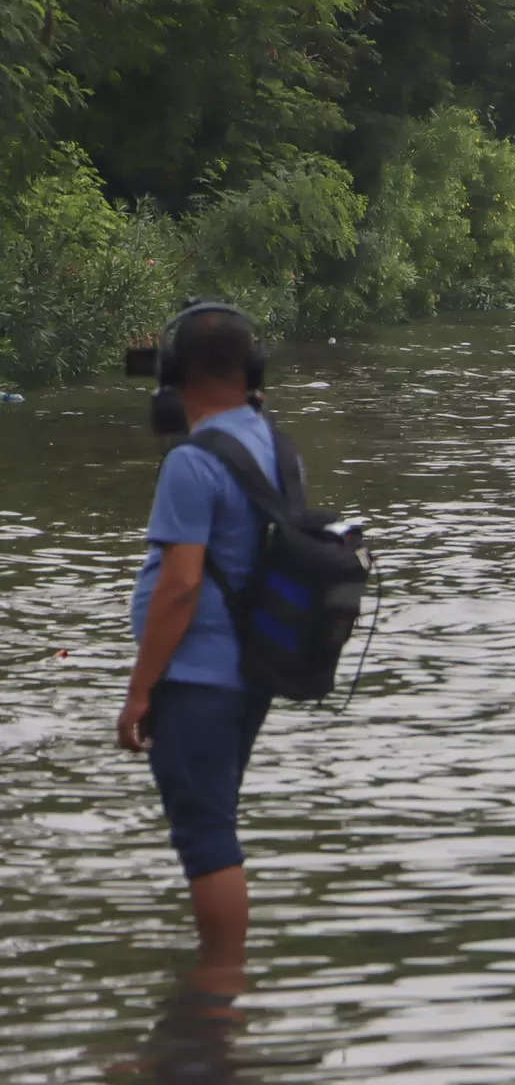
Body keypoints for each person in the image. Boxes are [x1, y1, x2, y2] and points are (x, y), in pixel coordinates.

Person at [118, 306, 285, 986]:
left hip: (198, 678)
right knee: (213, 824)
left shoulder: (193, 461)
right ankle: (219, 993)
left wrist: (139, 688)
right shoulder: (266, 438)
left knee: (205, 834)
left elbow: (181, 586)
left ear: (174, 375)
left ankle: (217, 996)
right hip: (247, 671)